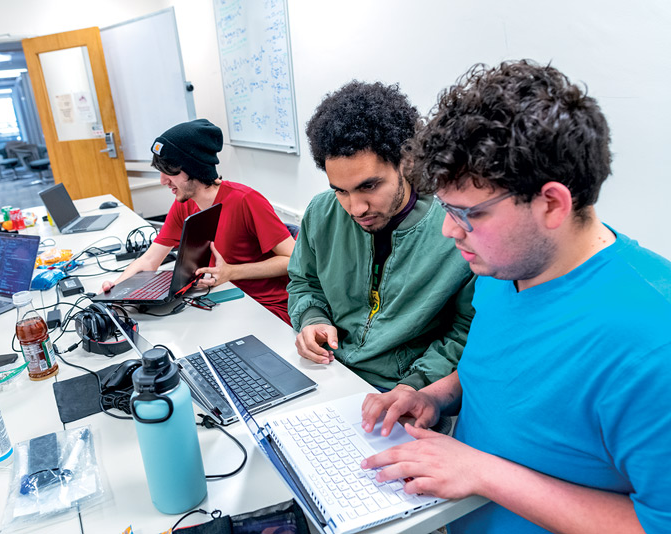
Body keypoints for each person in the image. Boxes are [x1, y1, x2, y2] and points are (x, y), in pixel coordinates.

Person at [361, 60, 671, 534]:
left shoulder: (652, 339)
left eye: (468, 214)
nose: (449, 231)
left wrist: (482, 472)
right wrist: (434, 397)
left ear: (551, 204)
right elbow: (497, 368)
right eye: (446, 209)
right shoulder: (506, 262)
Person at [287, 81, 476, 392]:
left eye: (369, 186)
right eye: (341, 191)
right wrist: (312, 318)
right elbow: (305, 281)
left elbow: (464, 331)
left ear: (407, 163)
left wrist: (416, 386)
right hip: (327, 373)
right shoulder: (321, 213)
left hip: (404, 391)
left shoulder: (456, 231)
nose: (355, 208)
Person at [102, 119, 295, 324]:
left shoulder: (245, 200)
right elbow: (149, 261)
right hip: (222, 302)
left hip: (267, 308)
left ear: (194, 167)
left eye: (169, 171)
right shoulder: (184, 204)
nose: (162, 180)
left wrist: (232, 272)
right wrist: (113, 294)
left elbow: (294, 259)